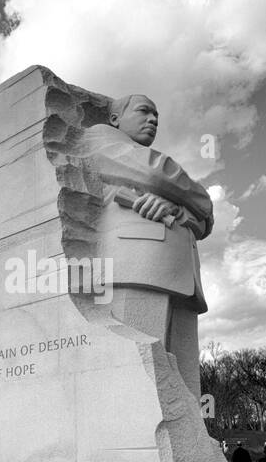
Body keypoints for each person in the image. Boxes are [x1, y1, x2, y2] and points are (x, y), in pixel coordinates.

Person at [89, 94, 214, 399]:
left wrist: (177, 205)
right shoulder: (99, 138)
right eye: (144, 111)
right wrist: (201, 200)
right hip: (138, 267)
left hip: (178, 275)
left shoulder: (131, 157)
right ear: (115, 119)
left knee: (182, 388)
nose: (153, 120)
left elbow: (204, 223)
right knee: (141, 386)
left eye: (157, 115)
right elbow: (156, 173)